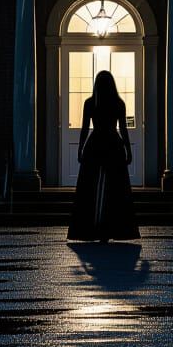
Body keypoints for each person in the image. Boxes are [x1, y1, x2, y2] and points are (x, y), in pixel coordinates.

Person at [67, 69, 139, 241]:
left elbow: (85, 128)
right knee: (115, 188)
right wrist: (128, 150)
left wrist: (80, 148)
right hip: (113, 144)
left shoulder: (90, 103)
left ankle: (89, 227)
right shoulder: (118, 103)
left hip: (96, 144)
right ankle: (114, 227)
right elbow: (123, 129)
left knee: (90, 186)